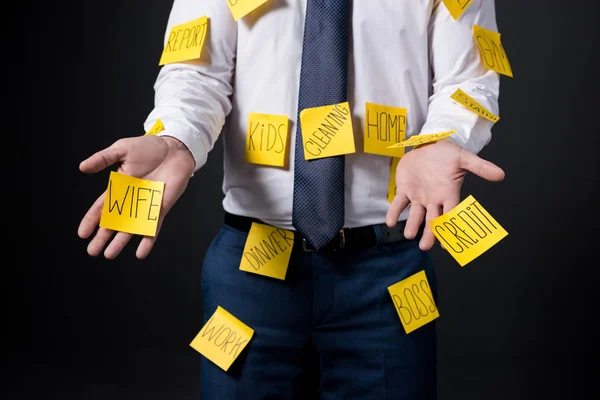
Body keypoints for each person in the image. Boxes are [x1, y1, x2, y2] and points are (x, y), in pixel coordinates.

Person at [78, 0, 505, 398]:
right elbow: (197, 73)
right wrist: (176, 140)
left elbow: (467, 76)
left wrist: (442, 140)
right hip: (250, 271)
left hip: (389, 273)